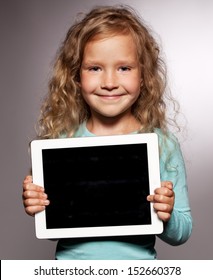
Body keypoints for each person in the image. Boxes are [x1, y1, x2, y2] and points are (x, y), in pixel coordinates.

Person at [22, 5, 192, 260]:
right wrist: (40, 206)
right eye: (95, 68)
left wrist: (166, 214)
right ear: (76, 78)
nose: (110, 82)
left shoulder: (162, 144)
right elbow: (55, 232)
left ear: (144, 76)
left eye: (124, 68)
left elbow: (183, 232)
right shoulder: (61, 144)